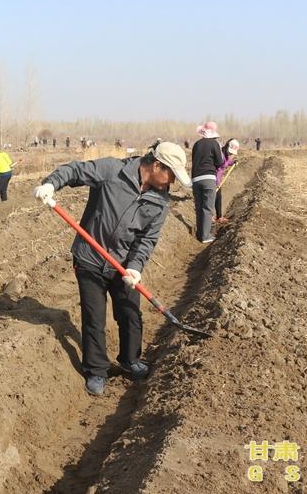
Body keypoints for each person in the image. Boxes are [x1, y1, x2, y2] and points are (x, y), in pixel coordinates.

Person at [34, 142, 191, 396]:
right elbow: (74, 171)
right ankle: (96, 370)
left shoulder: (161, 202)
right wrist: (51, 184)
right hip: (90, 258)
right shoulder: (111, 170)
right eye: (171, 175)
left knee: (130, 313)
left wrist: (136, 268)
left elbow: (146, 239)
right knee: (94, 316)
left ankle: (130, 359)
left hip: (123, 265)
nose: (171, 182)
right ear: (156, 165)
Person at [191, 122, 224, 243]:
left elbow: (194, 160)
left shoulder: (196, 144)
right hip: (208, 178)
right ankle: (205, 236)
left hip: (195, 179)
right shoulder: (214, 143)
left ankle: (200, 234)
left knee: (199, 208)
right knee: (207, 208)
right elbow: (220, 162)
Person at [214, 139, 239, 224]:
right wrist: (216, 182)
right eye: (230, 152)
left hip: (218, 180)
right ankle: (208, 217)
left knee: (218, 197)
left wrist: (233, 162)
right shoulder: (219, 154)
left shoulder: (225, 154)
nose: (230, 154)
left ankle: (219, 217)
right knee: (211, 198)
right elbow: (218, 166)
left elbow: (227, 162)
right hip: (213, 179)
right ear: (227, 146)